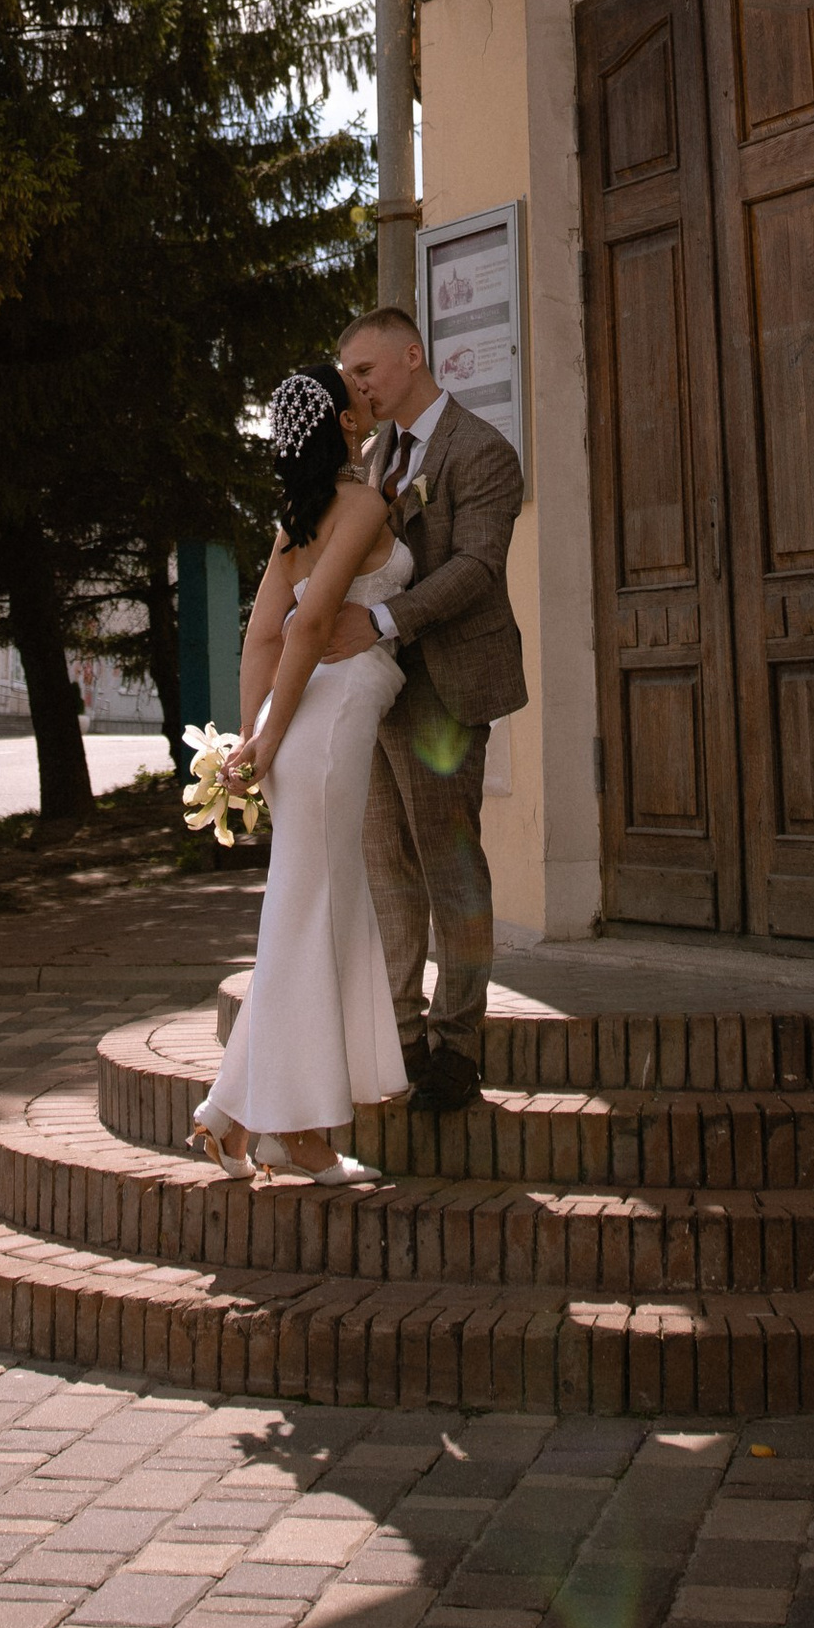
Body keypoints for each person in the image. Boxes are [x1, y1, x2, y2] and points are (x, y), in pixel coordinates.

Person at [189, 364, 410, 1186]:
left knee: (308, 918)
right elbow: (307, 625)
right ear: (345, 426)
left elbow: (260, 638)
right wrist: (263, 743)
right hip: (328, 726)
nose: (367, 392)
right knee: (309, 924)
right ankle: (299, 1134)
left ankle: (230, 1120)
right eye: (355, 388)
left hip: (304, 736)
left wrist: (251, 740)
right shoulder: (360, 507)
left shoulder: (295, 523)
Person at [336, 304, 527, 1116]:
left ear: (412, 357)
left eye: (366, 372)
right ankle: (403, 1035)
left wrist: (380, 621)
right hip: (376, 694)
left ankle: (458, 1045)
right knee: (386, 868)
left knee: (451, 871)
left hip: (444, 693)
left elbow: (477, 568)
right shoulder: (371, 458)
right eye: (349, 376)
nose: (357, 388)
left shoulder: (482, 450)